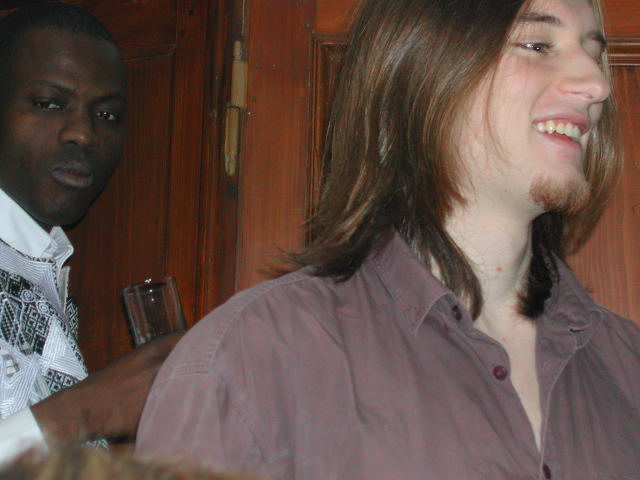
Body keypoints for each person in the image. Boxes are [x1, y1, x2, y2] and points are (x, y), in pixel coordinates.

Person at [136, 0, 640, 478]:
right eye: (537, 45)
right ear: (422, 68)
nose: (597, 84)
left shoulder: (627, 365)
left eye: (593, 52)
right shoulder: (250, 363)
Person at [0, 2, 180, 464]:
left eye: (108, 115)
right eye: (48, 103)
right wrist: (85, 411)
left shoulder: (41, 266)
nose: (84, 134)